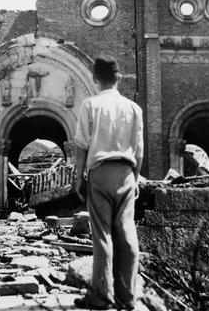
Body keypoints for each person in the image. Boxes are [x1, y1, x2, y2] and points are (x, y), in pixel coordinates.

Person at [73, 55, 143, 310]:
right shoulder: (133, 108)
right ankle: (128, 297)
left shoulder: (90, 105)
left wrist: (78, 177)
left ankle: (102, 295)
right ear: (119, 79)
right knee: (126, 233)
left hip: (100, 173)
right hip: (126, 171)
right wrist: (134, 180)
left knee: (102, 235)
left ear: (95, 79)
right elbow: (139, 150)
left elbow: (81, 145)